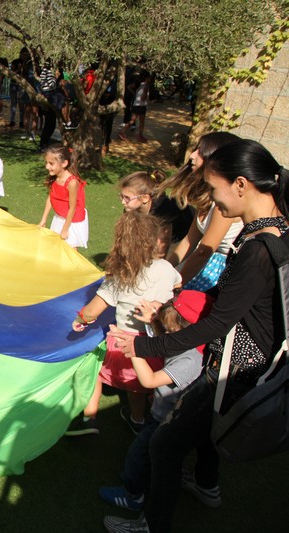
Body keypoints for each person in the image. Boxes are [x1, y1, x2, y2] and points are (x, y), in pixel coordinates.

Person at [106, 139, 289, 533]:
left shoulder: (258, 249)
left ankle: (151, 525)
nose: (214, 204)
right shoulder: (276, 229)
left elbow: (215, 325)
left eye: (216, 190)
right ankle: (206, 484)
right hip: (246, 365)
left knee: (164, 445)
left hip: (235, 370)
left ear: (241, 185)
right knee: (205, 430)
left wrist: (145, 343)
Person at [68, 211, 181, 437]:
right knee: (139, 385)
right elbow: (178, 285)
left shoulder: (122, 276)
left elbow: (93, 311)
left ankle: (90, 417)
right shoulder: (166, 269)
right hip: (157, 343)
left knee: (95, 371)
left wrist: (80, 320)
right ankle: (137, 418)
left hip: (124, 342)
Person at [98, 291, 212, 513]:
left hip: (168, 421)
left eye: (170, 329)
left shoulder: (190, 361)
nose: (167, 333)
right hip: (163, 413)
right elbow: (164, 339)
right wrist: (151, 322)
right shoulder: (188, 343)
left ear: (188, 330)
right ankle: (145, 477)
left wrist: (134, 352)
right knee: (151, 456)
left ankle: (133, 495)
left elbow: (149, 380)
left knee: (137, 455)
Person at [162, 132, 243, 291]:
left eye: (200, 152)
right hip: (199, 264)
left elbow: (204, 252)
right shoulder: (207, 198)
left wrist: (176, 285)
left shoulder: (223, 205)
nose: (192, 156)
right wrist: (164, 269)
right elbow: (189, 241)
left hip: (214, 273)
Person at [117, 170, 195, 252]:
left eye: (127, 198)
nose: (123, 201)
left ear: (145, 198)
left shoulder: (162, 210)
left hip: (185, 234)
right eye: (121, 196)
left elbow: (163, 244)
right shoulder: (131, 208)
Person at [38, 145, 89, 248]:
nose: (47, 167)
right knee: (57, 246)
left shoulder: (72, 182)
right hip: (60, 217)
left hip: (72, 220)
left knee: (70, 249)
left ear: (64, 163)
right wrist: (44, 219)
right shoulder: (54, 178)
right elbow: (50, 198)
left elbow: (73, 208)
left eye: (51, 163)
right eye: (46, 163)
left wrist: (65, 229)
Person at [119, 70, 151, 142]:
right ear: (147, 78)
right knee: (141, 122)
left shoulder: (138, 83)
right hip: (141, 105)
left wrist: (134, 94)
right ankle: (140, 136)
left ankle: (122, 131)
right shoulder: (145, 85)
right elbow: (143, 97)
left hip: (136, 104)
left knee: (132, 120)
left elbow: (129, 87)